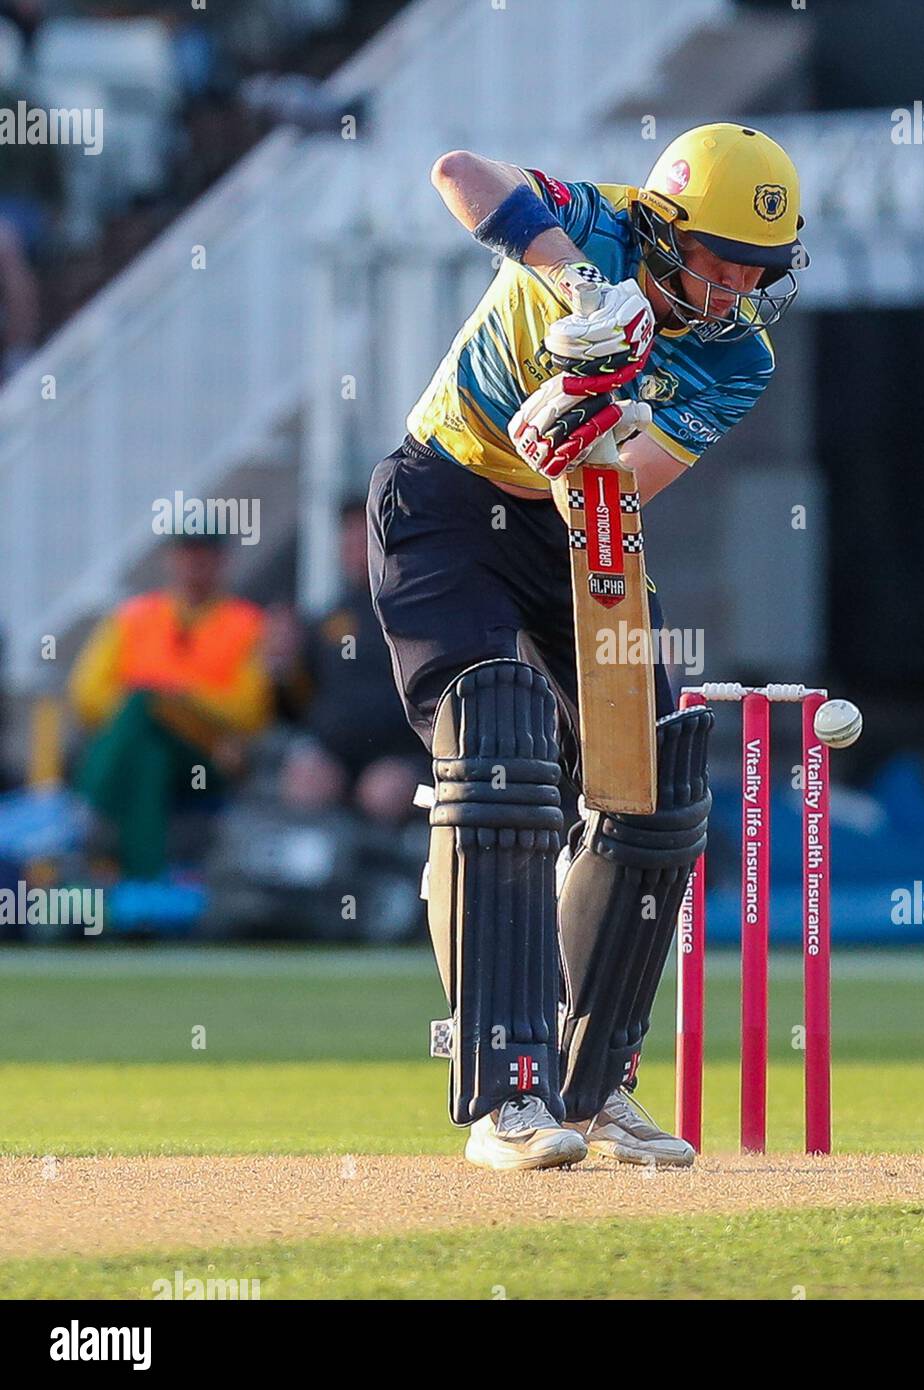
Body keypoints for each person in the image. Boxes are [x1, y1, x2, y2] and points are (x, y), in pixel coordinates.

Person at [368, 123, 806, 1170]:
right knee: (499, 742)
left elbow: (629, 480)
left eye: (758, 271)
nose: (735, 291)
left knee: (653, 768)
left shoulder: (738, 355)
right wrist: (578, 291)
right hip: (444, 493)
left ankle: (595, 1079)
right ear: (659, 233)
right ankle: (505, 1096)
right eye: (718, 263)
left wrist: (587, 432)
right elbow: (457, 170)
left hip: (582, 513)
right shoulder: (598, 221)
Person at [68, 535, 272, 880]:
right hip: (142, 749)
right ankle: (146, 878)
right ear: (171, 560)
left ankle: (91, 805)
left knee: (145, 703)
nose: (194, 564)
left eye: (204, 555)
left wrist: (182, 698)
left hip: (205, 754)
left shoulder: (246, 622)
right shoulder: (133, 616)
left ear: (221, 561)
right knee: (149, 748)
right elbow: (86, 694)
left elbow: (249, 710)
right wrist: (154, 704)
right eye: (187, 554)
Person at [267, 499, 423, 824]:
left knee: (383, 791)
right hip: (333, 753)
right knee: (305, 782)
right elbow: (292, 709)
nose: (354, 546)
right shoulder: (328, 620)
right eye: (348, 537)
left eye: (363, 535)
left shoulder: (419, 615)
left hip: (401, 755)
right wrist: (281, 669)